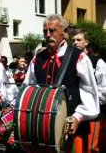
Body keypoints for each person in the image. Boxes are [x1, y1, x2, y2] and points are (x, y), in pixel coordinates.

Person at [24, 14, 100, 153]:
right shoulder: (37, 58)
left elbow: (90, 93)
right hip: (42, 130)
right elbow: (28, 89)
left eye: (52, 30)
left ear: (64, 33)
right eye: (45, 31)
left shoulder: (79, 57)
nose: (47, 35)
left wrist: (78, 117)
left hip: (71, 128)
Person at [71, 28, 106, 152]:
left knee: (91, 147)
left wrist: (92, 101)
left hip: (92, 112)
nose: (75, 42)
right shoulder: (68, 60)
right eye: (73, 40)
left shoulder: (98, 62)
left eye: (79, 40)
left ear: (86, 42)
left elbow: (103, 88)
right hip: (74, 111)